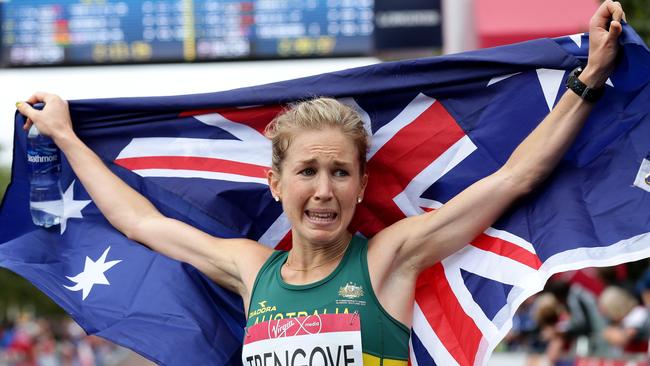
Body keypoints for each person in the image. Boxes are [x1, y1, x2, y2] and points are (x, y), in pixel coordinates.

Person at [15, 2, 625, 364]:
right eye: (307, 171)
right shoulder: (253, 272)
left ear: (362, 187)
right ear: (275, 183)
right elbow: (140, 221)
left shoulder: (390, 258)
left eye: (340, 172)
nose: (325, 189)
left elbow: (516, 176)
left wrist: (591, 77)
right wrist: (68, 137)